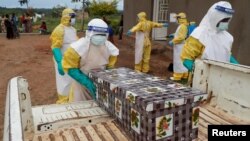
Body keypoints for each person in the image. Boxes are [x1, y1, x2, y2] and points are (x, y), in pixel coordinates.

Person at [62, 18, 119, 102]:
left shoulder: (110, 48)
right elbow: (70, 67)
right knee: (80, 108)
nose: (100, 37)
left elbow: (110, 67)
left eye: (102, 35)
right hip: (81, 84)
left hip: (100, 84)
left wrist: (110, 78)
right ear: (89, 33)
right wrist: (86, 81)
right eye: (97, 34)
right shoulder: (78, 47)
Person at [181, 1, 239, 72]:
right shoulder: (199, 34)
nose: (226, 23)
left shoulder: (227, 37)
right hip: (202, 78)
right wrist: (196, 70)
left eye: (227, 20)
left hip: (222, 76)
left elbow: (226, 54)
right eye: (224, 20)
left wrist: (237, 66)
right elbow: (187, 58)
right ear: (215, 18)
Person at [50, 8, 78, 104]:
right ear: (67, 17)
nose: (74, 19)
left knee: (72, 80)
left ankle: (71, 98)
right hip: (62, 59)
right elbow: (55, 47)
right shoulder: (59, 29)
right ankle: (63, 100)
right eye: (73, 17)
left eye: (75, 16)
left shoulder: (73, 30)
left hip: (72, 60)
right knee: (63, 81)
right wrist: (59, 62)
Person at [168, 12, 189, 81]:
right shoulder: (183, 25)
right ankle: (184, 75)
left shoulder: (182, 26)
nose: (176, 20)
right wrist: (173, 35)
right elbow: (179, 34)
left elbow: (181, 37)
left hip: (179, 46)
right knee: (182, 61)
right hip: (181, 46)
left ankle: (177, 76)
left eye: (177, 18)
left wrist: (173, 41)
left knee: (178, 61)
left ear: (180, 19)